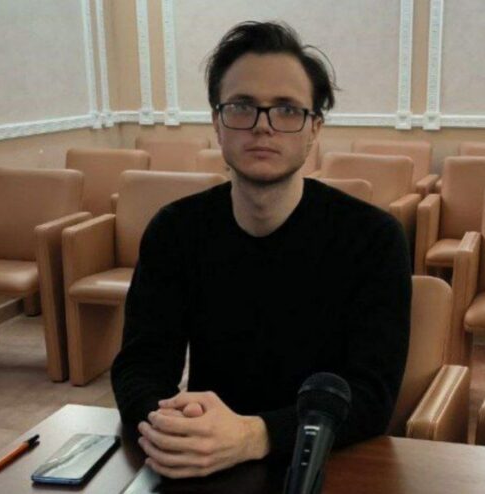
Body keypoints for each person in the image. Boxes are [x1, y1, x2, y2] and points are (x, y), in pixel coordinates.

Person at [111, 21, 412, 479]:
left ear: (314, 129)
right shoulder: (175, 229)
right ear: (217, 123)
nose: (263, 127)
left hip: (326, 461)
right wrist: (169, 426)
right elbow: (140, 365)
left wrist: (255, 435)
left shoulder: (373, 238)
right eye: (242, 107)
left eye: (287, 110)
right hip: (206, 462)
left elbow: (372, 397)